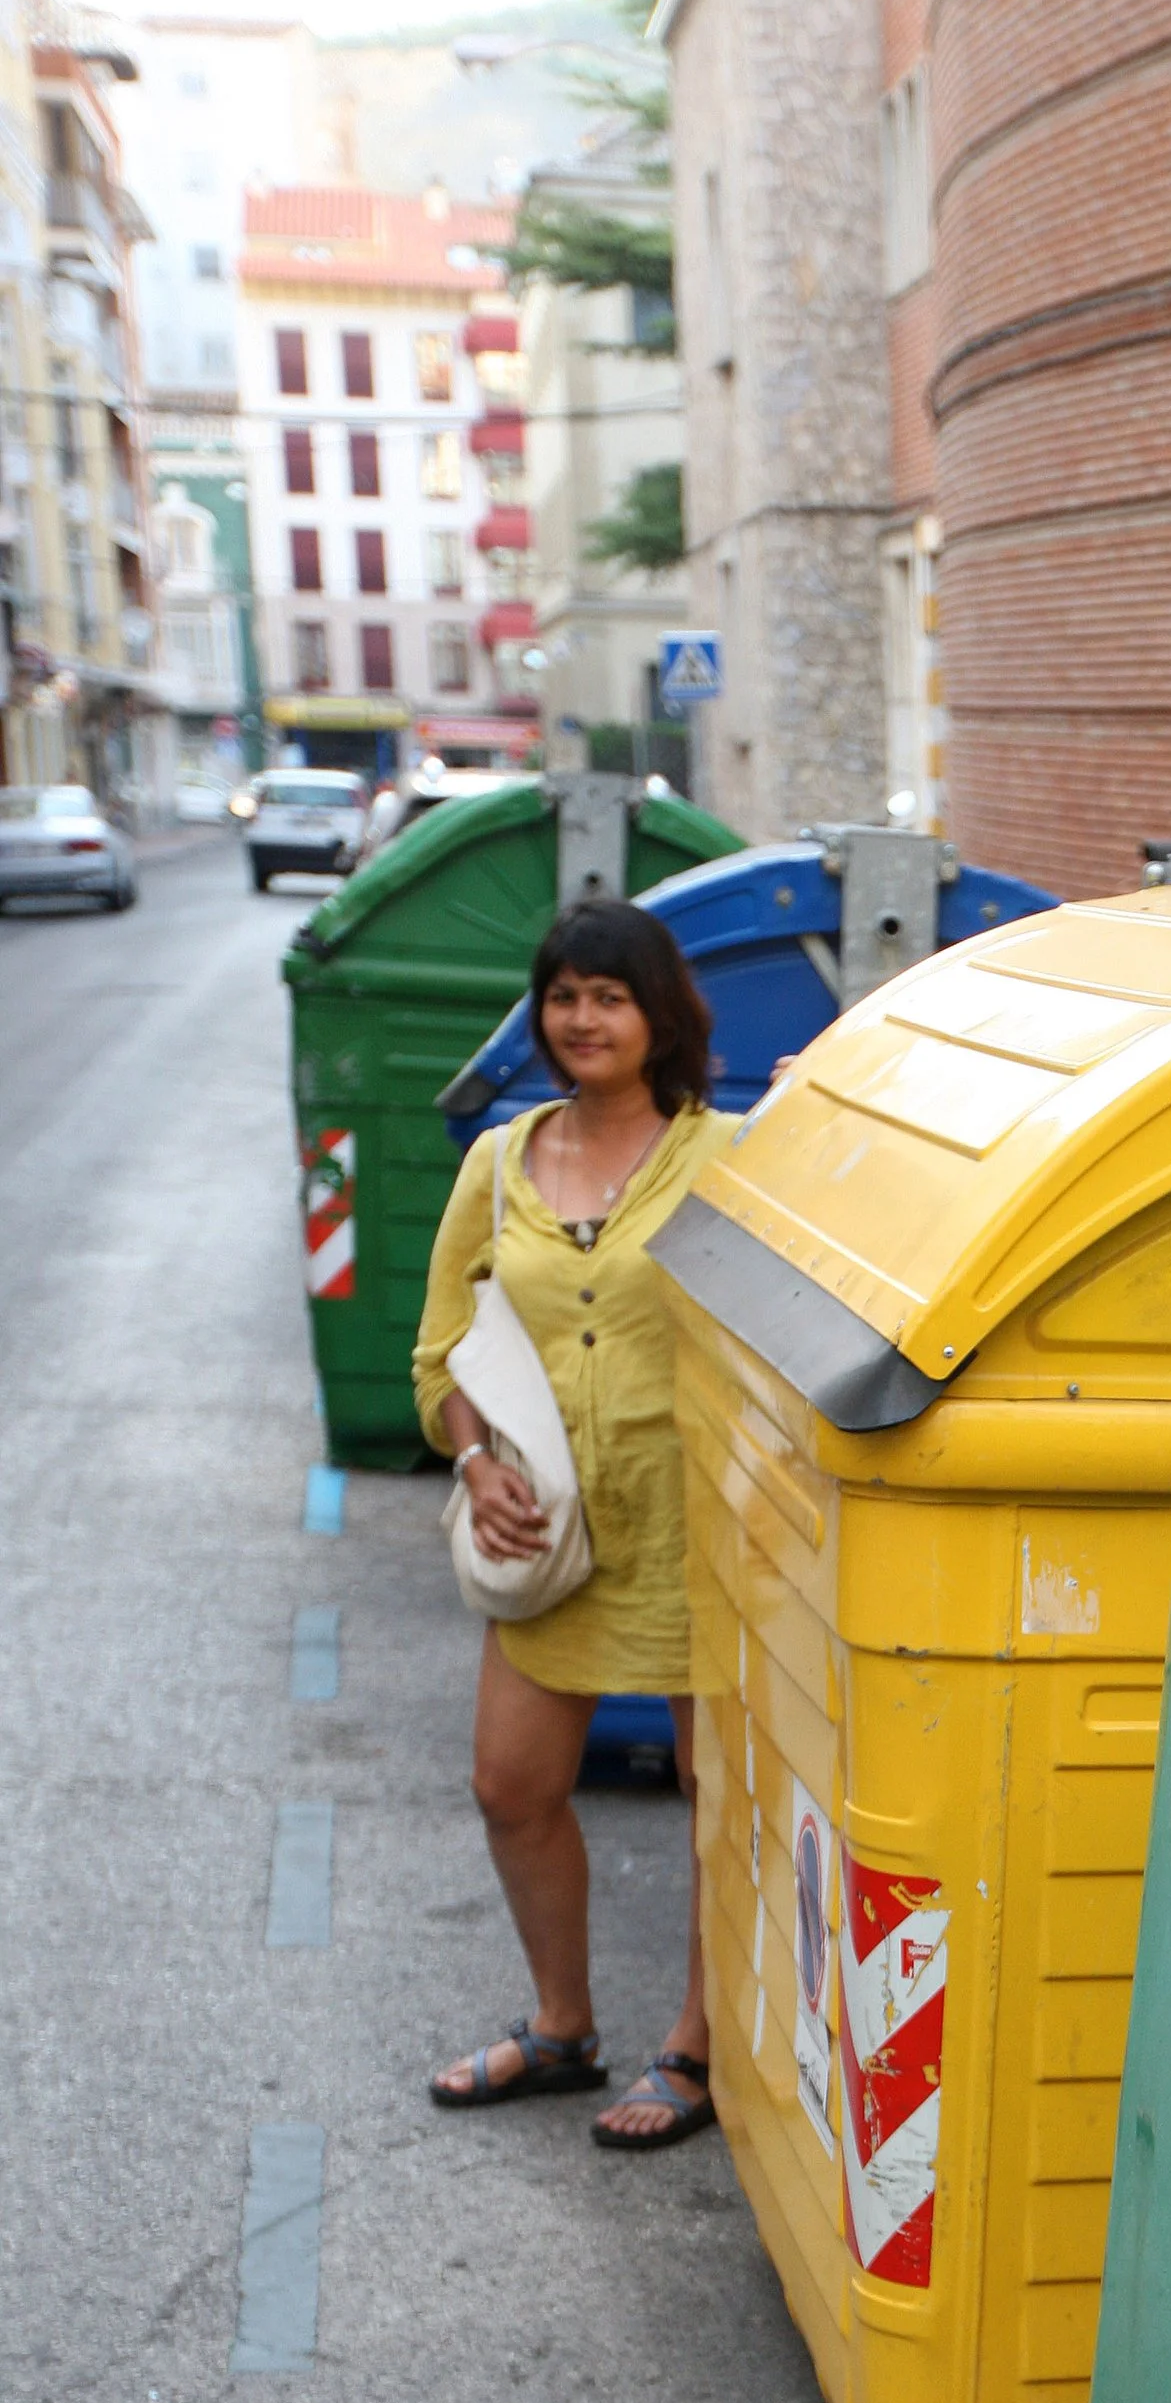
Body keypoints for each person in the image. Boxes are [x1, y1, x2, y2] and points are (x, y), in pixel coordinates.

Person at [412, 896, 727, 2147]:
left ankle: (696, 2052)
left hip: (696, 1530)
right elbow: (442, 1357)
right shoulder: (498, 1164)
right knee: (511, 1784)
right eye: (563, 995)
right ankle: (562, 2030)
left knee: (721, 1800)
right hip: (545, 1535)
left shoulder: (732, 1154)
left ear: (659, 1017)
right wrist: (476, 1458)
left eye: (609, 996)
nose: (583, 1019)